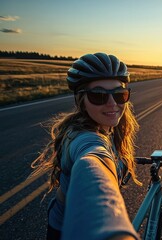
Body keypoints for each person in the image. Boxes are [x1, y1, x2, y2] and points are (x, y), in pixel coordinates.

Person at [30, 52, 141, 240]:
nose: (112, 103)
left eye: (119, 94)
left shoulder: (108, 128)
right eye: (98, 95)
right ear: (81, 100)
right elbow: (92, 158)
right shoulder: (81, 138)